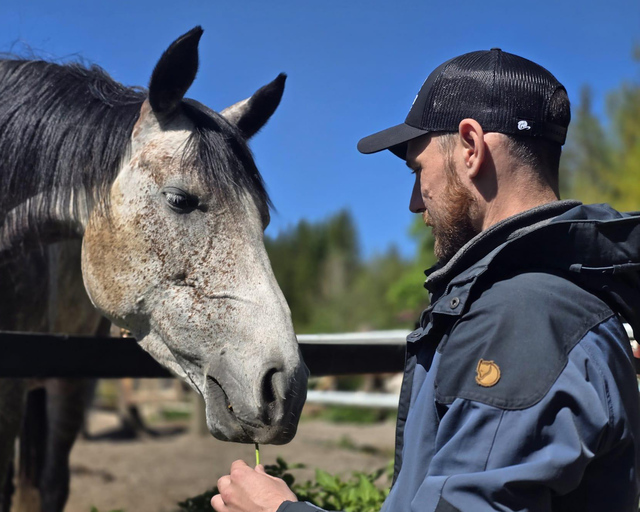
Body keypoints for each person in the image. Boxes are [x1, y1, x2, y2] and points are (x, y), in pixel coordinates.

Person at [212, 48, 640, 512]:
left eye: (419, 171)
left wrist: (277, 511)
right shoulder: (552, 302)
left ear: (471, 147)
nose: (415, 203)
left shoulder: (522, 317)